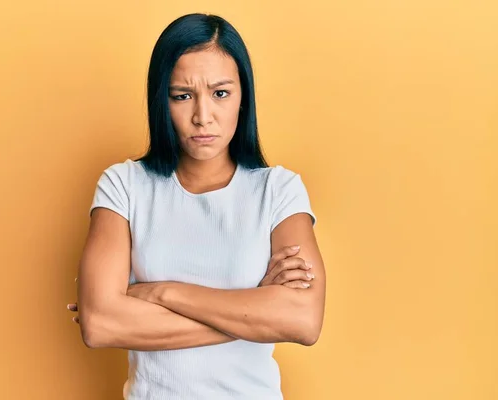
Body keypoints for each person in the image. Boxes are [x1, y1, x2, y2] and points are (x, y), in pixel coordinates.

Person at [67, 13, 326, 400]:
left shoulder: (278, 190)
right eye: (182, 95)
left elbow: (303, 320)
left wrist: (161, 294)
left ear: (244, 98)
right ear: (161, 99)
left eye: (220, 93)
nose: (202, 117)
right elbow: (100, 324)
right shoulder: (124, 185)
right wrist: (253, 311)